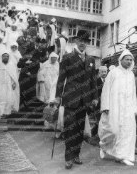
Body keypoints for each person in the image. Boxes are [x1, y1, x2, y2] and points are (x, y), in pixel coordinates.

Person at [55, 29, 98, 169]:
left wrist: (95, 97)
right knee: (70, 129)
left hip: (84, 101)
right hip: (70, 99)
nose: (82, 44)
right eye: (80, 41)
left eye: (85, 41)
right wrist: (57, 96)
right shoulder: (67, 58)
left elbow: (93, 81)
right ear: (76, 41)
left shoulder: (91, 60)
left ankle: (76, 155)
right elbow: (61, 79)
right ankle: (68, 158)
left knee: (80, 130)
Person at [98, 49, 137, 166]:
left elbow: (133, 94)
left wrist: (135, 109)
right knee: (112, 131)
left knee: (127, 132)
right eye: (127, 59)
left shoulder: (131, 75)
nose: (129, 62)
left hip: (127, 109)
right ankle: (103, 146)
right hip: (114, 107)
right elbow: (105, 90)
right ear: (121, 60)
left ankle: (122, 156)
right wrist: (105, 105)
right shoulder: (113, 73)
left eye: (131, 60)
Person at [0, 50, 20, 120]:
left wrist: (14, 83)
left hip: (8, 85)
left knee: (8, 99)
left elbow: (14, 75)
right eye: (4, 56)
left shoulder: (11, 65)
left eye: (7, 56)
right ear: (1, 57)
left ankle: (6, 113)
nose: (5, 57)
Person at [91, 65, 108, 137]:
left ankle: (98, 133)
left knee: (104, 120)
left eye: (105, 71)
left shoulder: (108, 81)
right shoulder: (96, 81)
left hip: (106, 104)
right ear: (99, 72)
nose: (104, 73)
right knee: (98, 119)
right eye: (102, 72)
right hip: (98, 104)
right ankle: (95, 133)